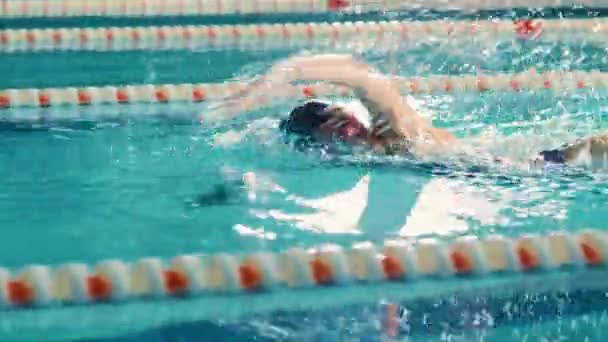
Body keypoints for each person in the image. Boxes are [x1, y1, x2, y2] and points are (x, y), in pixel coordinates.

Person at [213, 53, 608, 170]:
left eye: (340, 114)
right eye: (330, 126)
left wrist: (276, 77)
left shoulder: (393, 130)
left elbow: (357, 75)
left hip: (546, 164)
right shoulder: (372, 157)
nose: (345, 122)